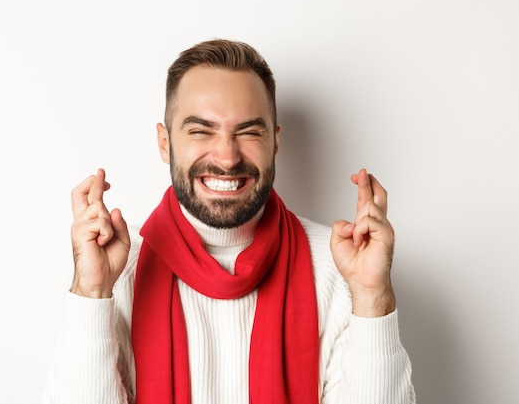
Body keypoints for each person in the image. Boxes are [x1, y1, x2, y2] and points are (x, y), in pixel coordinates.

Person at [41, 39, 416, 404]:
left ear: (275, 143)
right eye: (201, 130)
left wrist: (371, 296)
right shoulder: (116, 272)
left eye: (249, 131)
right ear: (164, 142)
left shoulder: (341, 268)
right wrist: (90, 293)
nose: (226, 156)